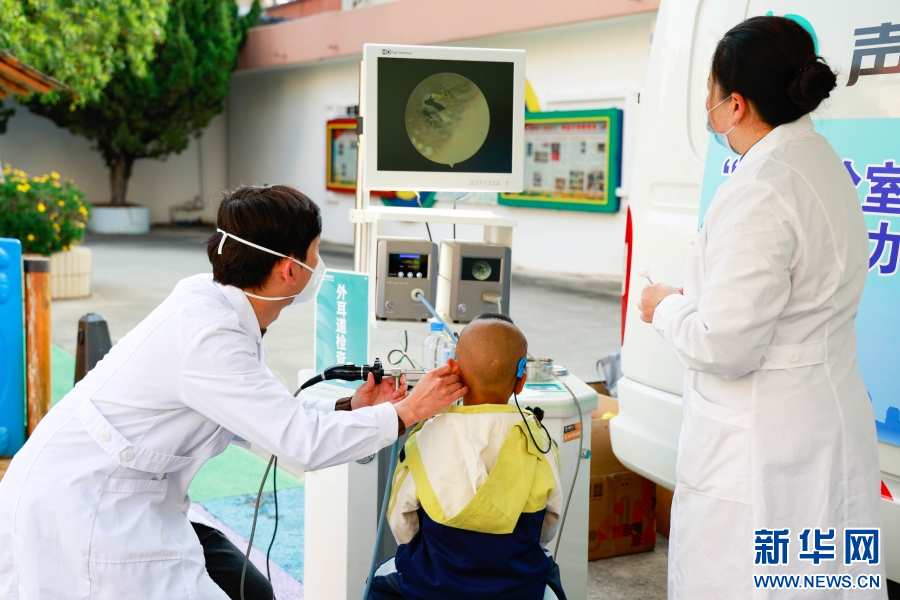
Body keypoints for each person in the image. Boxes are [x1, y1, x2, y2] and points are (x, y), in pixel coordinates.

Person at [0, 184, 467, 600]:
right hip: (89, 507)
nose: (318, 264)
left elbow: (258, 411)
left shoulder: (215, 302)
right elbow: (301, 442)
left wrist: (351, 406)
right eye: (316, 252)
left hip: (134, 496)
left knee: (252, 589)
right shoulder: (209, 335)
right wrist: (408, 411)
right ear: (289, 269)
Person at [638, 16, 886, 599]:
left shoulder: (760, 189)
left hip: (765, 439)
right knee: (822, 580)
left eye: (710, 91)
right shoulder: (818, 160)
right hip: (822, 414)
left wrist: (664, 307)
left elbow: (725, 345)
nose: (706, 104)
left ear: (735, 105)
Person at [368, 314, 566, 600]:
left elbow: (402, 522)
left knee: (376, 580)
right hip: (518, 588)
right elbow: (549, 523)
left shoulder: (424, 437)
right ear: (521, 379)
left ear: (454, 370)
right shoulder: (539, 442)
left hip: (433, 587)